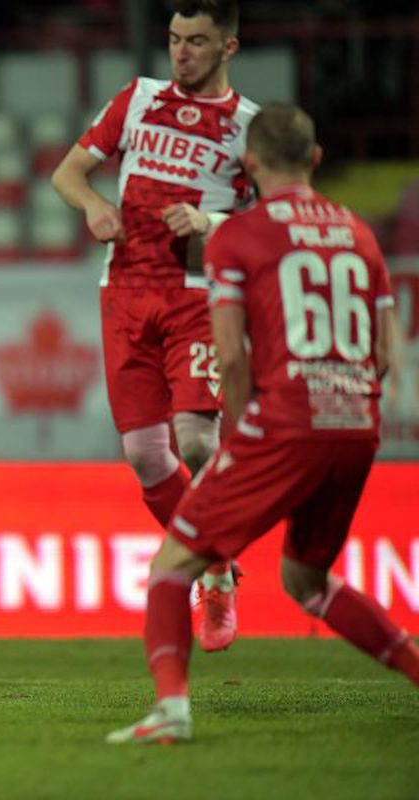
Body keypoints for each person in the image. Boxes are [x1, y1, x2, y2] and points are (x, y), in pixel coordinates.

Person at [107, 104, 419, 744]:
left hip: (283, 422)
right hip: (356, 425)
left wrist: (244, 433)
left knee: (172, 566)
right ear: (316, 159)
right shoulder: (360, 234)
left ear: (248, 164)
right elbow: (388, 353)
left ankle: (171, 712)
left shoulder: (238, 236)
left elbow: (229, 356)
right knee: (307, 580)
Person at [51, 0, 257, 652]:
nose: (181, 52)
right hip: (125, 293)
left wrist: (210, 223)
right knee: (144, 454)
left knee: (195, 442)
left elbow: (271, 220)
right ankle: (215, 562)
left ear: (227, 47)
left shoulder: (249, 126)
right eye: (173, 39)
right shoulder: (137, 100)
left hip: (197, 294)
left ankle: (214, 577)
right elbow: (67, 173)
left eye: (196, 41)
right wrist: (93, 206)